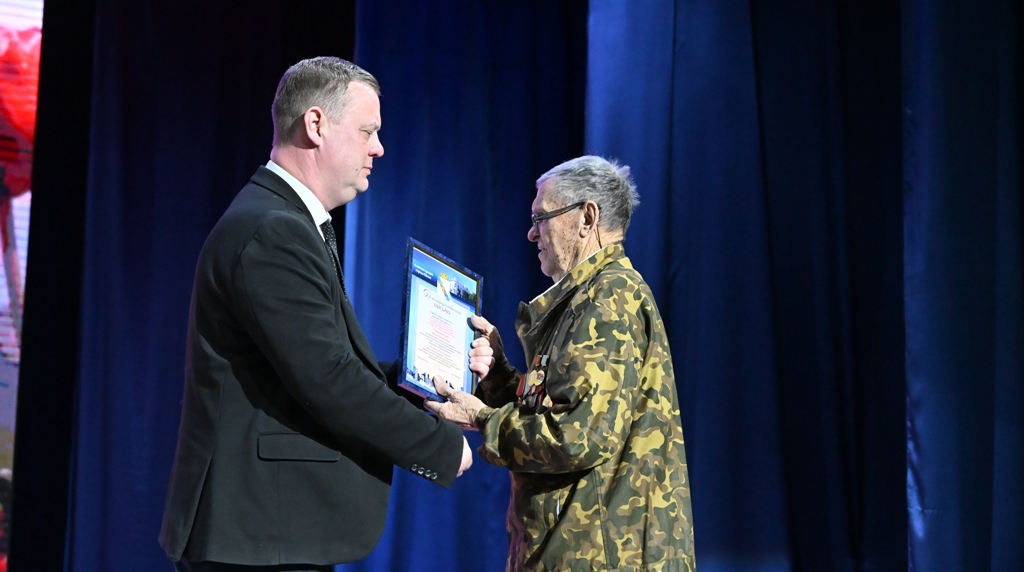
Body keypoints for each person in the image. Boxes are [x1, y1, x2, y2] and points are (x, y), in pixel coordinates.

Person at [159, 57, 472, 572]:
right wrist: (439, 447)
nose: (378, 148)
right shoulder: (274, 230)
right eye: (367, 131)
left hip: (267, 533)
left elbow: (319, 367)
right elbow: (329, 379)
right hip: (258, 535)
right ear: (316, 124)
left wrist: (429, 384)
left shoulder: (285, 221)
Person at [426, 155, 696, 572]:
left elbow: (576, 436)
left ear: (587, 218)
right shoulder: (587, 298)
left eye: (541, 218)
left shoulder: (610, 297)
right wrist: (497, 375)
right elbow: (557, 410)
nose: (532, 233)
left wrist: (482, 419)